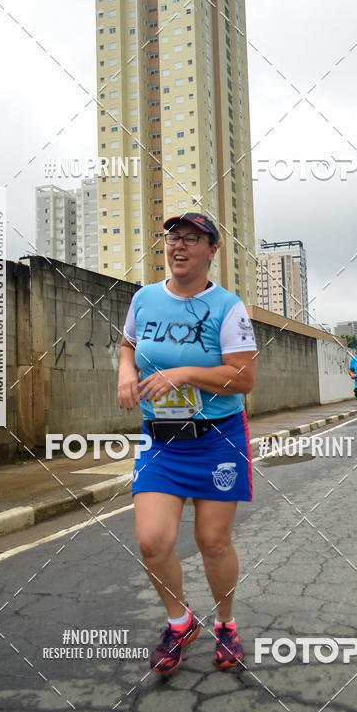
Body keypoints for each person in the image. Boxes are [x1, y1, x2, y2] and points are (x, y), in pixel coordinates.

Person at [117, 212, 257, 676]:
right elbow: (127, 345)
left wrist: (184, 373)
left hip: (217, 440)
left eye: (192, 239)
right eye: (173, 238)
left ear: (212, 251)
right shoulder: (144, 298)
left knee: (212, 541)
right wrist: (126, 372)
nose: (179, 246)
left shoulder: (228, 307)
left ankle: (226, 623)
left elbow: (244, 377)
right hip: (162, 442)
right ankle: (180, 623)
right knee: (152, 541)